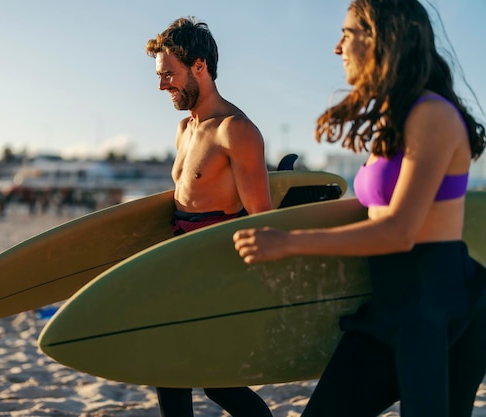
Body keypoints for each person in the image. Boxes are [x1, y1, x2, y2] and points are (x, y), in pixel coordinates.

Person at [233, 1, 486, 416]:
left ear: (381, 37)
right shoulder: (396, 117)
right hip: (391, 304)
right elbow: (374, 212)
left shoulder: (433, 115)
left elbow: (399, 231)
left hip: (439, 308)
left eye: (347, 33)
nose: (337, 48)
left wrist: (288, 242)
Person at [145, 16, 273, 417]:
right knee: (169, 372)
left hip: (215, 272)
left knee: (218, 382)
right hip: (178, 271)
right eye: (160, 75)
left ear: (199, 65)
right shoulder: (185, 129)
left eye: (169, 74)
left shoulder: (236, 131)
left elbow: (261, 218)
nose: (162, 84)